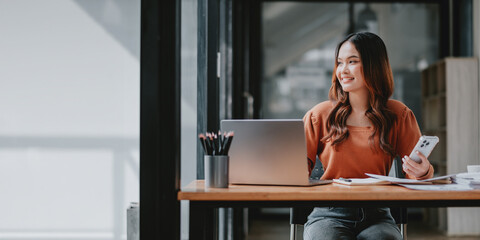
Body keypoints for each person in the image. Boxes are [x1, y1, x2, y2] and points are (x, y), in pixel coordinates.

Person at [302, 32, 434, 240]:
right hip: (328, 214)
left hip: (378, 215)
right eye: (339, 63)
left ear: (374, 66)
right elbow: (294, 171)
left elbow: (415, 175)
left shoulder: (399, 115)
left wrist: (423, 170)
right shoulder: (319, 115)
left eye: (352, 62)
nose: (342, 70)